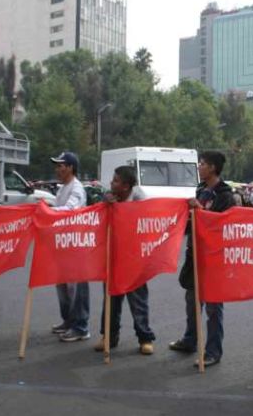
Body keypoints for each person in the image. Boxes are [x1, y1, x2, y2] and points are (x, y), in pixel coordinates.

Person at [169, 151, 235, 368]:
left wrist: (199, 211)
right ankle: (190, 340)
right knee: (192, 300)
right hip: (194, 253)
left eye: (204, 163)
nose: (199, 166)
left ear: (214, 168)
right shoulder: (200, 190)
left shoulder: (225, 195)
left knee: (214, 307)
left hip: (215, 256)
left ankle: (213, 351)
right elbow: (194, 222)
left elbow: (221, 224)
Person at [94, 166, 156, 355]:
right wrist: (106, 203)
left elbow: (148, 224)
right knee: (111, 299)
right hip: (113, 256)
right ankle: (109, 336)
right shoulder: (108, 197)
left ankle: (145, 338)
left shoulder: (140, 199)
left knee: (138, 301)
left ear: (127, 186)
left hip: (135, 259)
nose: (112, 183)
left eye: (116, 181)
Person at [49, 152, 92, 343]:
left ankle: (81, 327)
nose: (57, 169)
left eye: (61, 165)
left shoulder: (76, 189)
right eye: (56, 166)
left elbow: (70, 210)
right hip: (63, 244)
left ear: (71, 168)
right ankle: (68, 321)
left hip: (76, 245)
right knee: (62, 287)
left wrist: (47, 211)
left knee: (77, 288)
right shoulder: (62, 189)